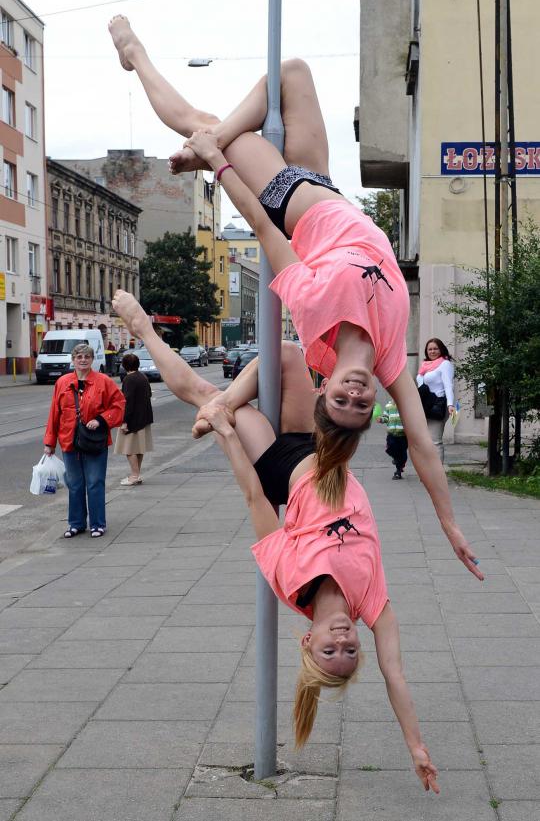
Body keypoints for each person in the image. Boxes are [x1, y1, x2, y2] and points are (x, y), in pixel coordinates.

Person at [107, 17, 483, 582]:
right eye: (361, 406)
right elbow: (426, 451)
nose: (355, 397)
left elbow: (262, 228)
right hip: (331, 193)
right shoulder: (387, 359)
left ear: (325, 390)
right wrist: (450, 524)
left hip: (292, 204)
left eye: (341, 402)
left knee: (234, 103)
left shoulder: (313, 315)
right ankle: (202, 141)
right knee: (298, 74)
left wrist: (219, 162)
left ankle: (141, 64)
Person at [111, 292, 438, 792]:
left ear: (310, 641)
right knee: (286, 354)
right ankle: (217, 402)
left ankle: (146, 332)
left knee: (207, 394)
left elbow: (255, 501)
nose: (345, 643)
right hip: (324, 450)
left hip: (277, 467)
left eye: (332, 652)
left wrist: (224, 432)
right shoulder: (372, 602)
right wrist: (415, 746)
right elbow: (396, 674)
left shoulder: (293, 584)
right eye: (351, 652)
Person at [43, 343, 125, 538]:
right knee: (75, 484)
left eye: (86, 357)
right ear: (73, 360)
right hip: (69, 441)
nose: (83, 360)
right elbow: (55, 413)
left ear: (92, 359)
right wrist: (49, 442)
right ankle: (76, 523)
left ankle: (97, 524)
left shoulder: (103, 381)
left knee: (95, 482)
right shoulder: (63, 383)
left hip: (94, 441)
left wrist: (101, 420)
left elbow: (119, 405)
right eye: (79, 357)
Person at [114, 352, 154, 485]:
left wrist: (124, 421)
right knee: (139, 448)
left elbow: (127, 401)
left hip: (132, 420)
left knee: (129, 449)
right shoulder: (143, 377)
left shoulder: (128, 379)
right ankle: (136, 474)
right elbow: (148, 394)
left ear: (124, 366)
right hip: (144, 418)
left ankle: (134, 475)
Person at [416, 338, 455, 463]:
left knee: (435, 441)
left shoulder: (445, 364)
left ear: (441, 349)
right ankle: (429, 471)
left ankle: (438, 474)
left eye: (435, 348)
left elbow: (448, 385)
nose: (432, 351)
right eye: (430, 349)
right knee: (425, 442)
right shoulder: (425, 366)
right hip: (424, 405)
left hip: (438, 405)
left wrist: (450, 404)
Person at [379, 398, 408, 480]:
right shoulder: (388, 406)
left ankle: (398, 471)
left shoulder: (404, 405)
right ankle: (396, 459)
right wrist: (381, 419)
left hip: (403, 434)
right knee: (390, 449)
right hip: (391, 433)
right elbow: (386, 417)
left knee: (402, 453)